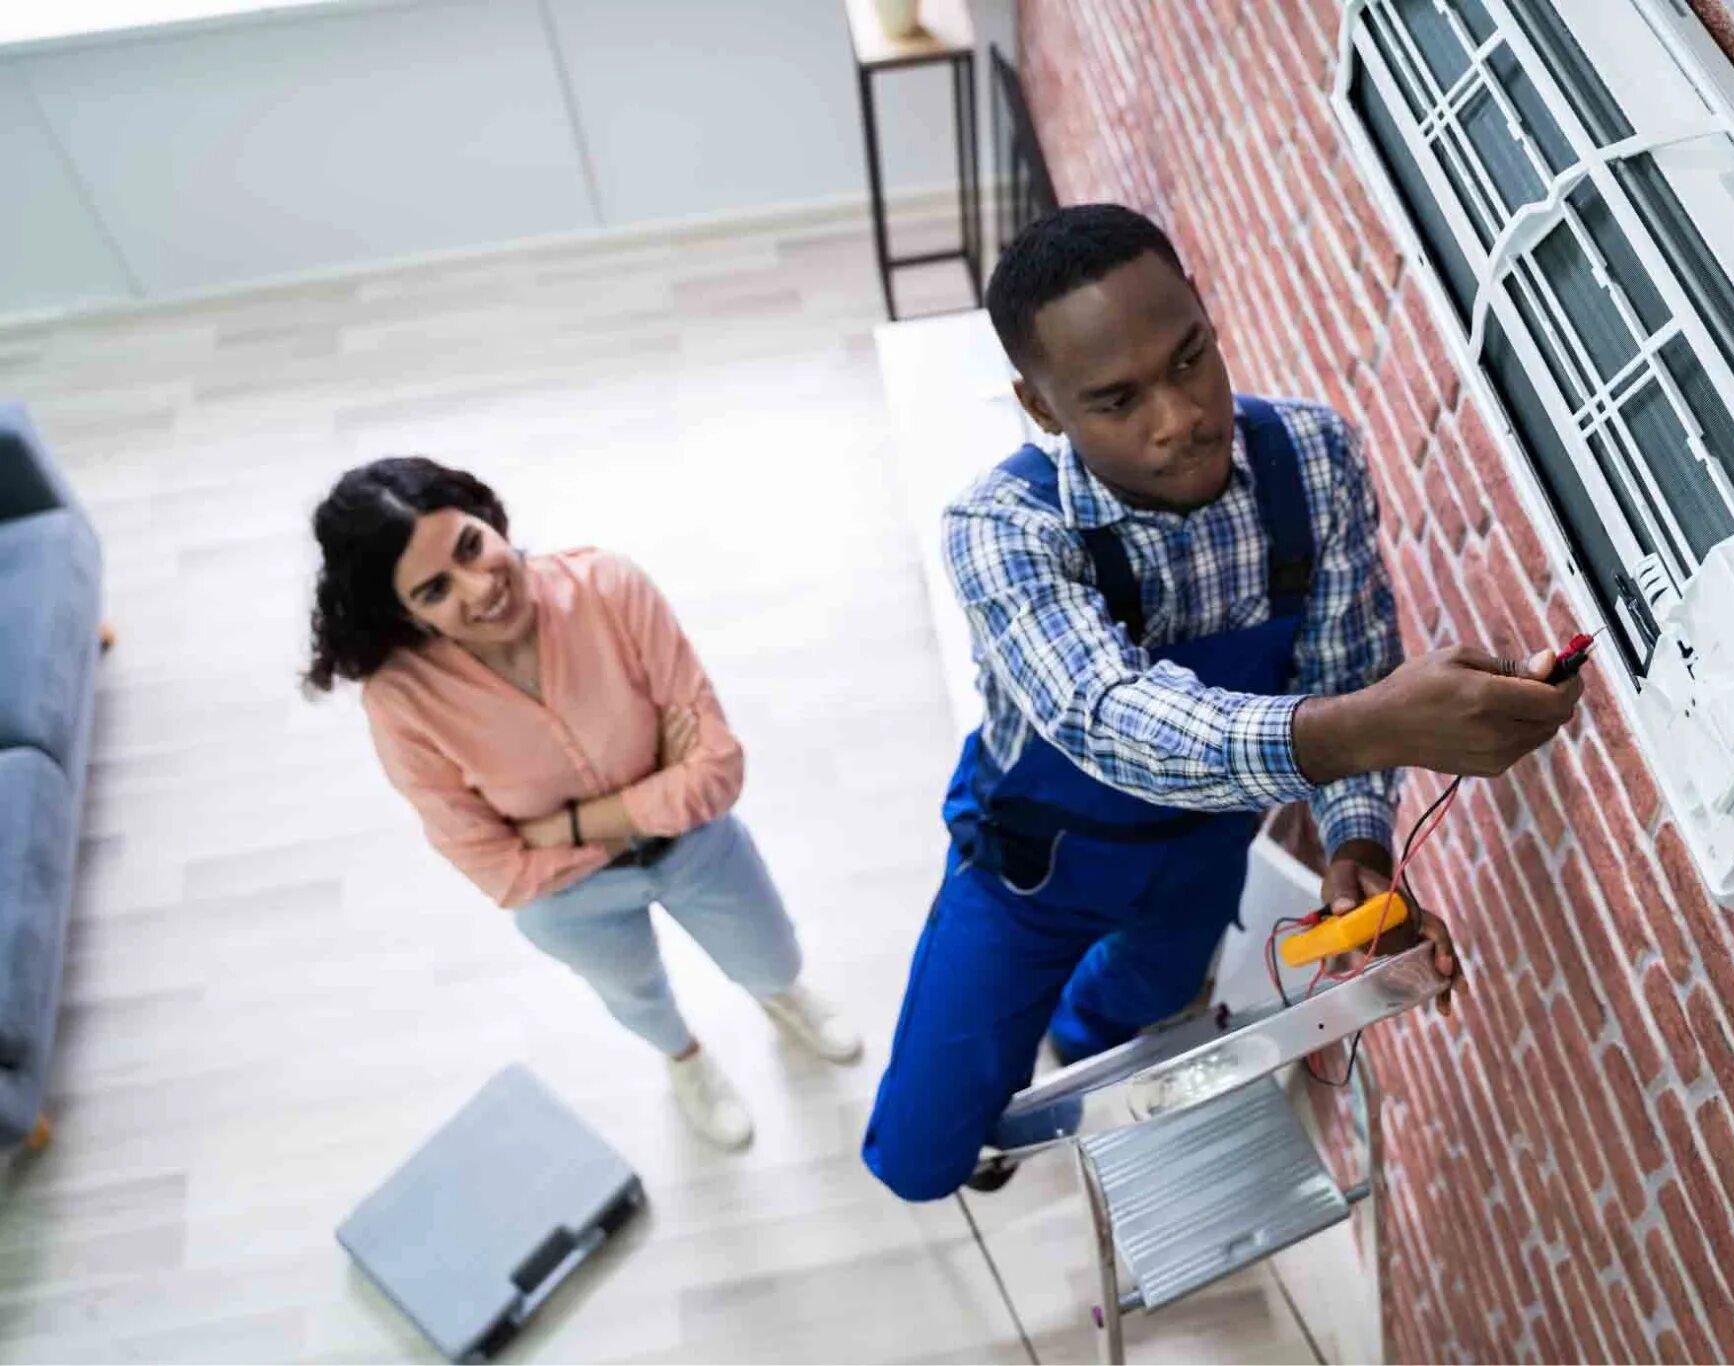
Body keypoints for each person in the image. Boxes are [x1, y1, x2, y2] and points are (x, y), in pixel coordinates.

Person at [861, 205, 1582, 1201]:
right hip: (1032, 869)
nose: (1179, 416)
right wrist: (1370, 721)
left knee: (1138, 1002)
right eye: (1115, 400)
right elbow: (1113, 720)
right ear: (1039, 406)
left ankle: (1078, 1033)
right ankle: (985, 1100)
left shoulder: (1310, 459)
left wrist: (1357, 856)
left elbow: (1342, 662)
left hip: (1204, 850)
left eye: (1188, 358)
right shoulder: (1003, 529)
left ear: (1202, 309)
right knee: (918, 1158)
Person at [304, 457, 860, 1150]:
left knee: (773, 954)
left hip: (697, 846)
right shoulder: (401, 703)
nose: (480, 590)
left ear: (489, 516)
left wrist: (557, 828)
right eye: (435, 589)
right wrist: (659, 779)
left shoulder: (608, 587)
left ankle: (782, 1000)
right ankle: (685, 1062)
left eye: (472, 546)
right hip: (571, 900)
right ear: (403, 613)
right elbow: (501, 870)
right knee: (637, 998)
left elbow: (716, 772)